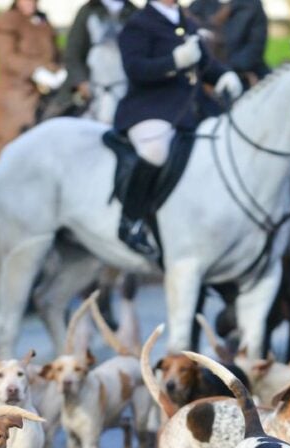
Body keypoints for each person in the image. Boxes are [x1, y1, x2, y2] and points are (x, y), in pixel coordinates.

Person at [114, 0, 243, 257]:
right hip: (151, 108)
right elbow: (135, 69)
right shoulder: (138, 24)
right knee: (155, 150)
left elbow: (204, 65)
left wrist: (223, 76)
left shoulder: (186, 21)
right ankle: (131, 221)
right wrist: (173, 61)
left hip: (193, 109)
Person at [0, 0, 65, 162]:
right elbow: (8, 58)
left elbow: (55, 52)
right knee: (20, 122)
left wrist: (63, 70)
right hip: (17, 88)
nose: (30, 3)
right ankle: (11, 162)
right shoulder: (6, 22)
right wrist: (36, 71)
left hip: (49, 85)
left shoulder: (42, 22)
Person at [62, 0, 136, 106]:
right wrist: (81, 81)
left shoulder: (134, 12)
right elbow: (73, 53)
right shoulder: (87, 11)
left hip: (125, 83)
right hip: (92, 83)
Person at [188, 0, 270, 86]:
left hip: (243, 72)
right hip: (207, 74)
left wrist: (227, 71)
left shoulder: (251, 5)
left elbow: (255, 48)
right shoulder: (199, 5)